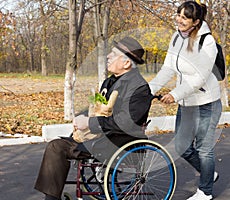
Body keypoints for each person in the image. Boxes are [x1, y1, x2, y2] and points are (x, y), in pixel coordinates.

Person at [34, 37, 153, 200]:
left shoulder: (139, 88)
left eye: (113, 54)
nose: (108, 56)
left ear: (126, 63)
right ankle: (51, 198)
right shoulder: (109, 82)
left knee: (60, 148)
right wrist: (81, 117)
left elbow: (125, 122)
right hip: (100, 136)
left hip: (120, 142)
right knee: (55, 147)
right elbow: (96, 107)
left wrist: (90, 123)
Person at [149, 1, 222, 200]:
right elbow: (168, 68)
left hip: (207, 102)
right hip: (187, 103)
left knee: (204, 149)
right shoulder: (176, 38)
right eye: (178, 15)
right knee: (181, 146)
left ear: (196, 22)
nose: (179, 20)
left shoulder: (207, 42)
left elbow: (199, 77)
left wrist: (175, 94)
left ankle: (205, 192)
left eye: (184, 17)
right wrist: (149, 89)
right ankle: (209, 173)